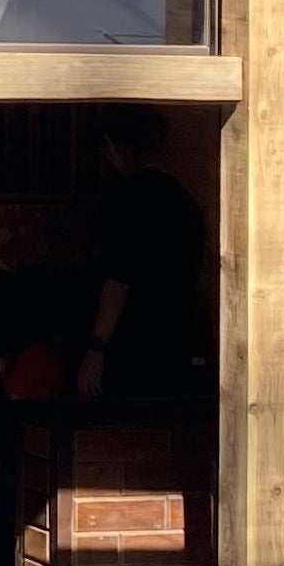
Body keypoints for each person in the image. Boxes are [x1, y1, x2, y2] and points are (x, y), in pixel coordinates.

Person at [78, 107, 210, 401]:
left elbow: (117, 279)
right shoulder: (185, 203)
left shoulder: (126, 199)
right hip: (175, 342)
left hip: (128, 346)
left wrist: (96, 347)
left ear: (113, 146)